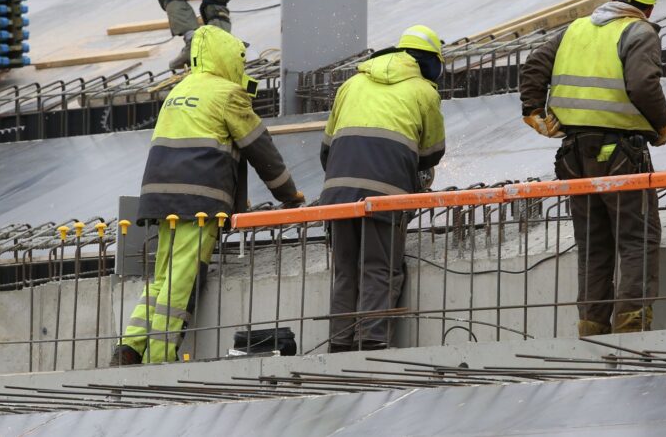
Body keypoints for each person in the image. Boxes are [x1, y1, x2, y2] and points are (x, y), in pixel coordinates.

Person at [111, 25, 304, 365]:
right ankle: (158, 359)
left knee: (162, 276)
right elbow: (261, 149)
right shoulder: (227, 93)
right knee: (180, 281)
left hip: (159, 198)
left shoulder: (180, 89)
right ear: (228, 57)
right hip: (198, 201)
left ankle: (129, 347)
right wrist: (288, 194)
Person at [519, 0, 666, 336]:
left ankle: (591, 326)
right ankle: (631, 325)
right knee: (637, 239)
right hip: (621, 152)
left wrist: (533, 111)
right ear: (647, 9)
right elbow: (642, 84)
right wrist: (663, 123)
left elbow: (534, 65)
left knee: (593, 243)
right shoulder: (639, 31)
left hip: (573, 155)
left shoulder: (576, 29)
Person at [320, 25, 447, 352]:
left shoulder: (351, 83)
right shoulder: (424, 91)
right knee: (379, 268)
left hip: (337, 193)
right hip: (386, 194)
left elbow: (326, 148)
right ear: (431, 62)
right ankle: (372, 342)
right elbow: (432, 153)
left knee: (345, 271)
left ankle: (339, 344)